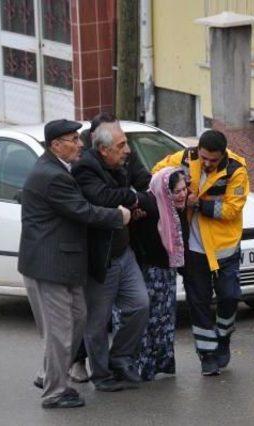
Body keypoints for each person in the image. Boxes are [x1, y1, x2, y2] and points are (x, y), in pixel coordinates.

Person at [18, 119, 130, 408]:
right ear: (56, 145)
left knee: (78, 320)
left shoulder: (57, 169)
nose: (81, 144)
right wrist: (118, 216)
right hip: (50, 265)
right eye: (73, 139)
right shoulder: (52, 175)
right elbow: (82, 211)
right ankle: (54, 392)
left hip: (64, 264)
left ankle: (49, 373)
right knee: (60, 331)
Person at [153, 130, 249, 376]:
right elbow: (157, 173)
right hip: (193, 248)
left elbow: (231, 209)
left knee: (229, 296)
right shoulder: (185, 158)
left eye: (212, 160)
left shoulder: (236, 169)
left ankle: (224, 337)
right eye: (203, 157)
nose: (206, 163)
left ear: (223, 155)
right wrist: (175, 188)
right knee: (199, 302)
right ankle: (207, 354)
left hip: (223, 247)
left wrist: (198, 204)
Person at [72, 120, 151, 392]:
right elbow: (102, 197)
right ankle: (101, 375)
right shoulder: (85, 167)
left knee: (140, 304)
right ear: (104, 150)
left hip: (123, 251)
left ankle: (120, 359)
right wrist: (132, 198)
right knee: (97, 322)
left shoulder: (121, 162)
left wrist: (134, 199)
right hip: (101, 258)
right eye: (121, 145)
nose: (128, 150)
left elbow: (145, 183)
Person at [112, 167, 188, 380]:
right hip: (147, 274)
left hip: (166, 276)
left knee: (163, 322)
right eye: (177, 191)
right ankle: (136, 367)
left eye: (184, 189)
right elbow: (127, 202)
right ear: (165, 191)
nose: (182, 194)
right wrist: (132, 214)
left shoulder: (175, 209)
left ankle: (157, 365)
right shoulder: (150, 203)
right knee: (146, 322)